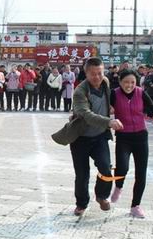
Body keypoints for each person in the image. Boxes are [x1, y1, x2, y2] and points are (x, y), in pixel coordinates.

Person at [51, 57, 123, 216]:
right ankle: (81, 204)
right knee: (82, 174)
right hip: (80, 138)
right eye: (93, 74)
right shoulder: (80, 92)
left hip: (100, 136)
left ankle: (102, 196)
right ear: (86, 73)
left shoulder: (105, 83)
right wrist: (109, 122)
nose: (97, 77)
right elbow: (86, 115)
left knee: (105, 167)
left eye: (100, 73)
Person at [109, 69, 153, 218]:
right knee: (122, 167)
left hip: (140, 137)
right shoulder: (114, 94)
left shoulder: (141, 93)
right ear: (120, 82)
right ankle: (118, 186)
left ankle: (135, 206)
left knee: (141, 173)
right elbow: (104, 110)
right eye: (126, 82)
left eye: (132, 82)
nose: (129, 85)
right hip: (123, 137)